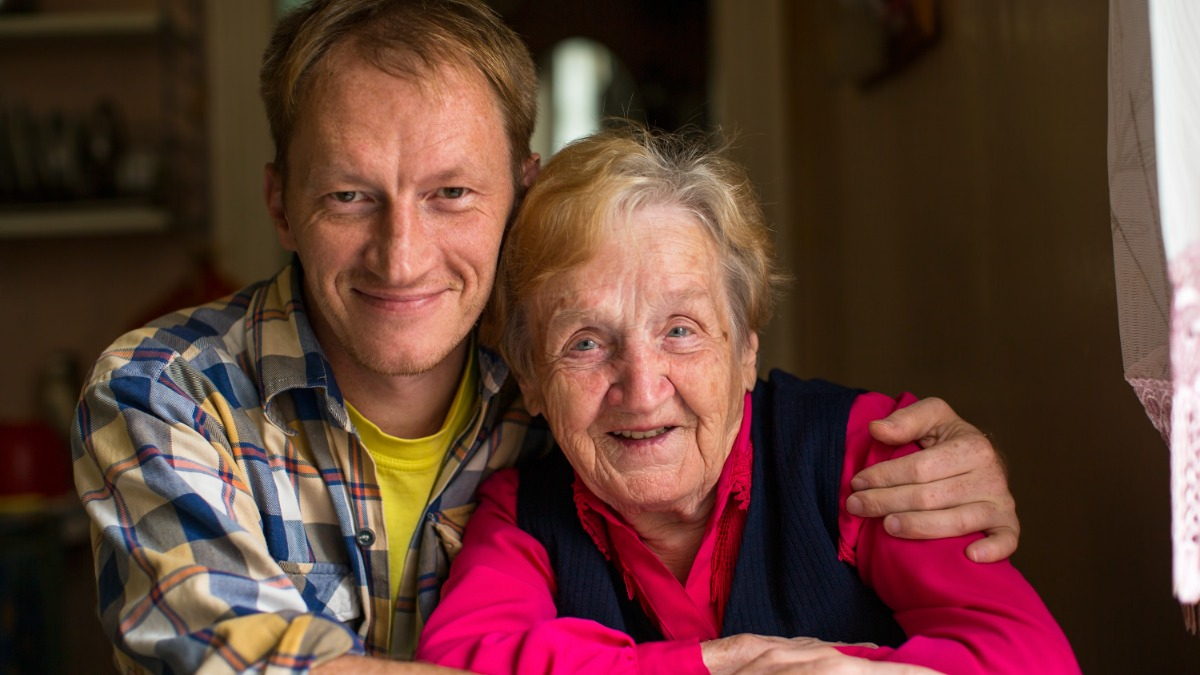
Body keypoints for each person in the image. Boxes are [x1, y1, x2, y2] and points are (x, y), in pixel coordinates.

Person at [72, 1, 1017, 673]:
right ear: (282, 203)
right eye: (349, 196)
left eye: (452, 193)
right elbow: (242, 667)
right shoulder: (165, 390)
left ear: (521, 193)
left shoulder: (567, 384)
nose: (402, 255)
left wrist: (945, 464)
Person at [416, 125, 1080, 674]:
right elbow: (461, 661)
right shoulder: (519, 512)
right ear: (531, 378)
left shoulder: (861, 452)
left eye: (681, 330)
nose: (643, 389)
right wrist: (722, 664)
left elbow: (1034, 660)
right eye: (587, 343)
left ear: (746, 351)